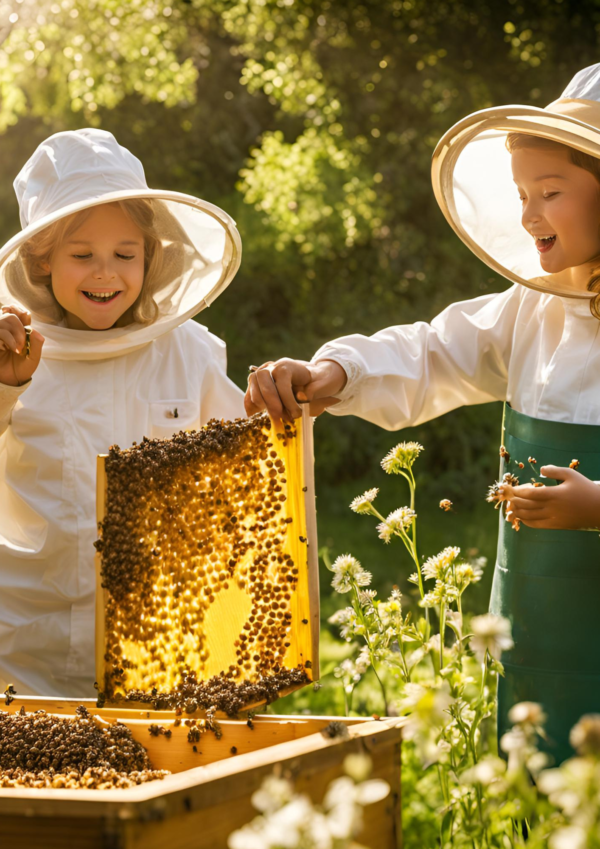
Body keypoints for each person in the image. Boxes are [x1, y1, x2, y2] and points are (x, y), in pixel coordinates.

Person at [245, 63, 600, 765]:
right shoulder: (537, 303)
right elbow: (438, 350)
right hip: (537, 631)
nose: (529, 215)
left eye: (550, 192)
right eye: (522, 194)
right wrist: (333, 373)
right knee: (533, 784)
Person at [0, 128, 245, 697]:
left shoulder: (192, 352)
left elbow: (249, 470)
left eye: (124, 255)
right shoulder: (12, 353)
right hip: (25, 649)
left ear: (151, 256)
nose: (105, 273)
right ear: (41, 260)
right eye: (82, 255)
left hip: (162, 647)